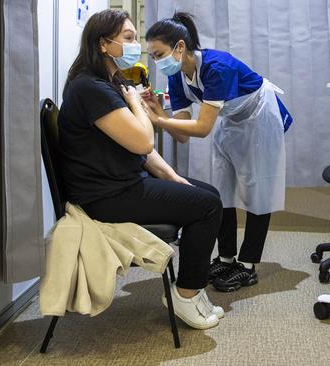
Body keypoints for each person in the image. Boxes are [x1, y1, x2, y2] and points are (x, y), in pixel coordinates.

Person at [57, 9, 223, 330]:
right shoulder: (90, 88)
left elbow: (143, 152)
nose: (136, 47)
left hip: (123, 182)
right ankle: (185, 294)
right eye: (129, 39)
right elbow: (143, 142)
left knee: (206, 193)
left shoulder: (107, 82)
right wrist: (136, 102)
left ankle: (193, 286)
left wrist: (174, 178)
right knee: (208, 206)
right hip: (107, 196)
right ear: (104, 45)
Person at [143, 12, 293, 292]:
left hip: (260, 117)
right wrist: (159, 111)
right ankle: (226, 258)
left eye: (159, 54)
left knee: (256, 191)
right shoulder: (176, 77)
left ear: (179, 47)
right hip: (232, 120)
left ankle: (248, 265)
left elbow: (201, 129)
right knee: (222, 189)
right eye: (152, 56)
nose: (156, 62)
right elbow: (183, 135)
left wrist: (158, 121)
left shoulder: (216, 67)